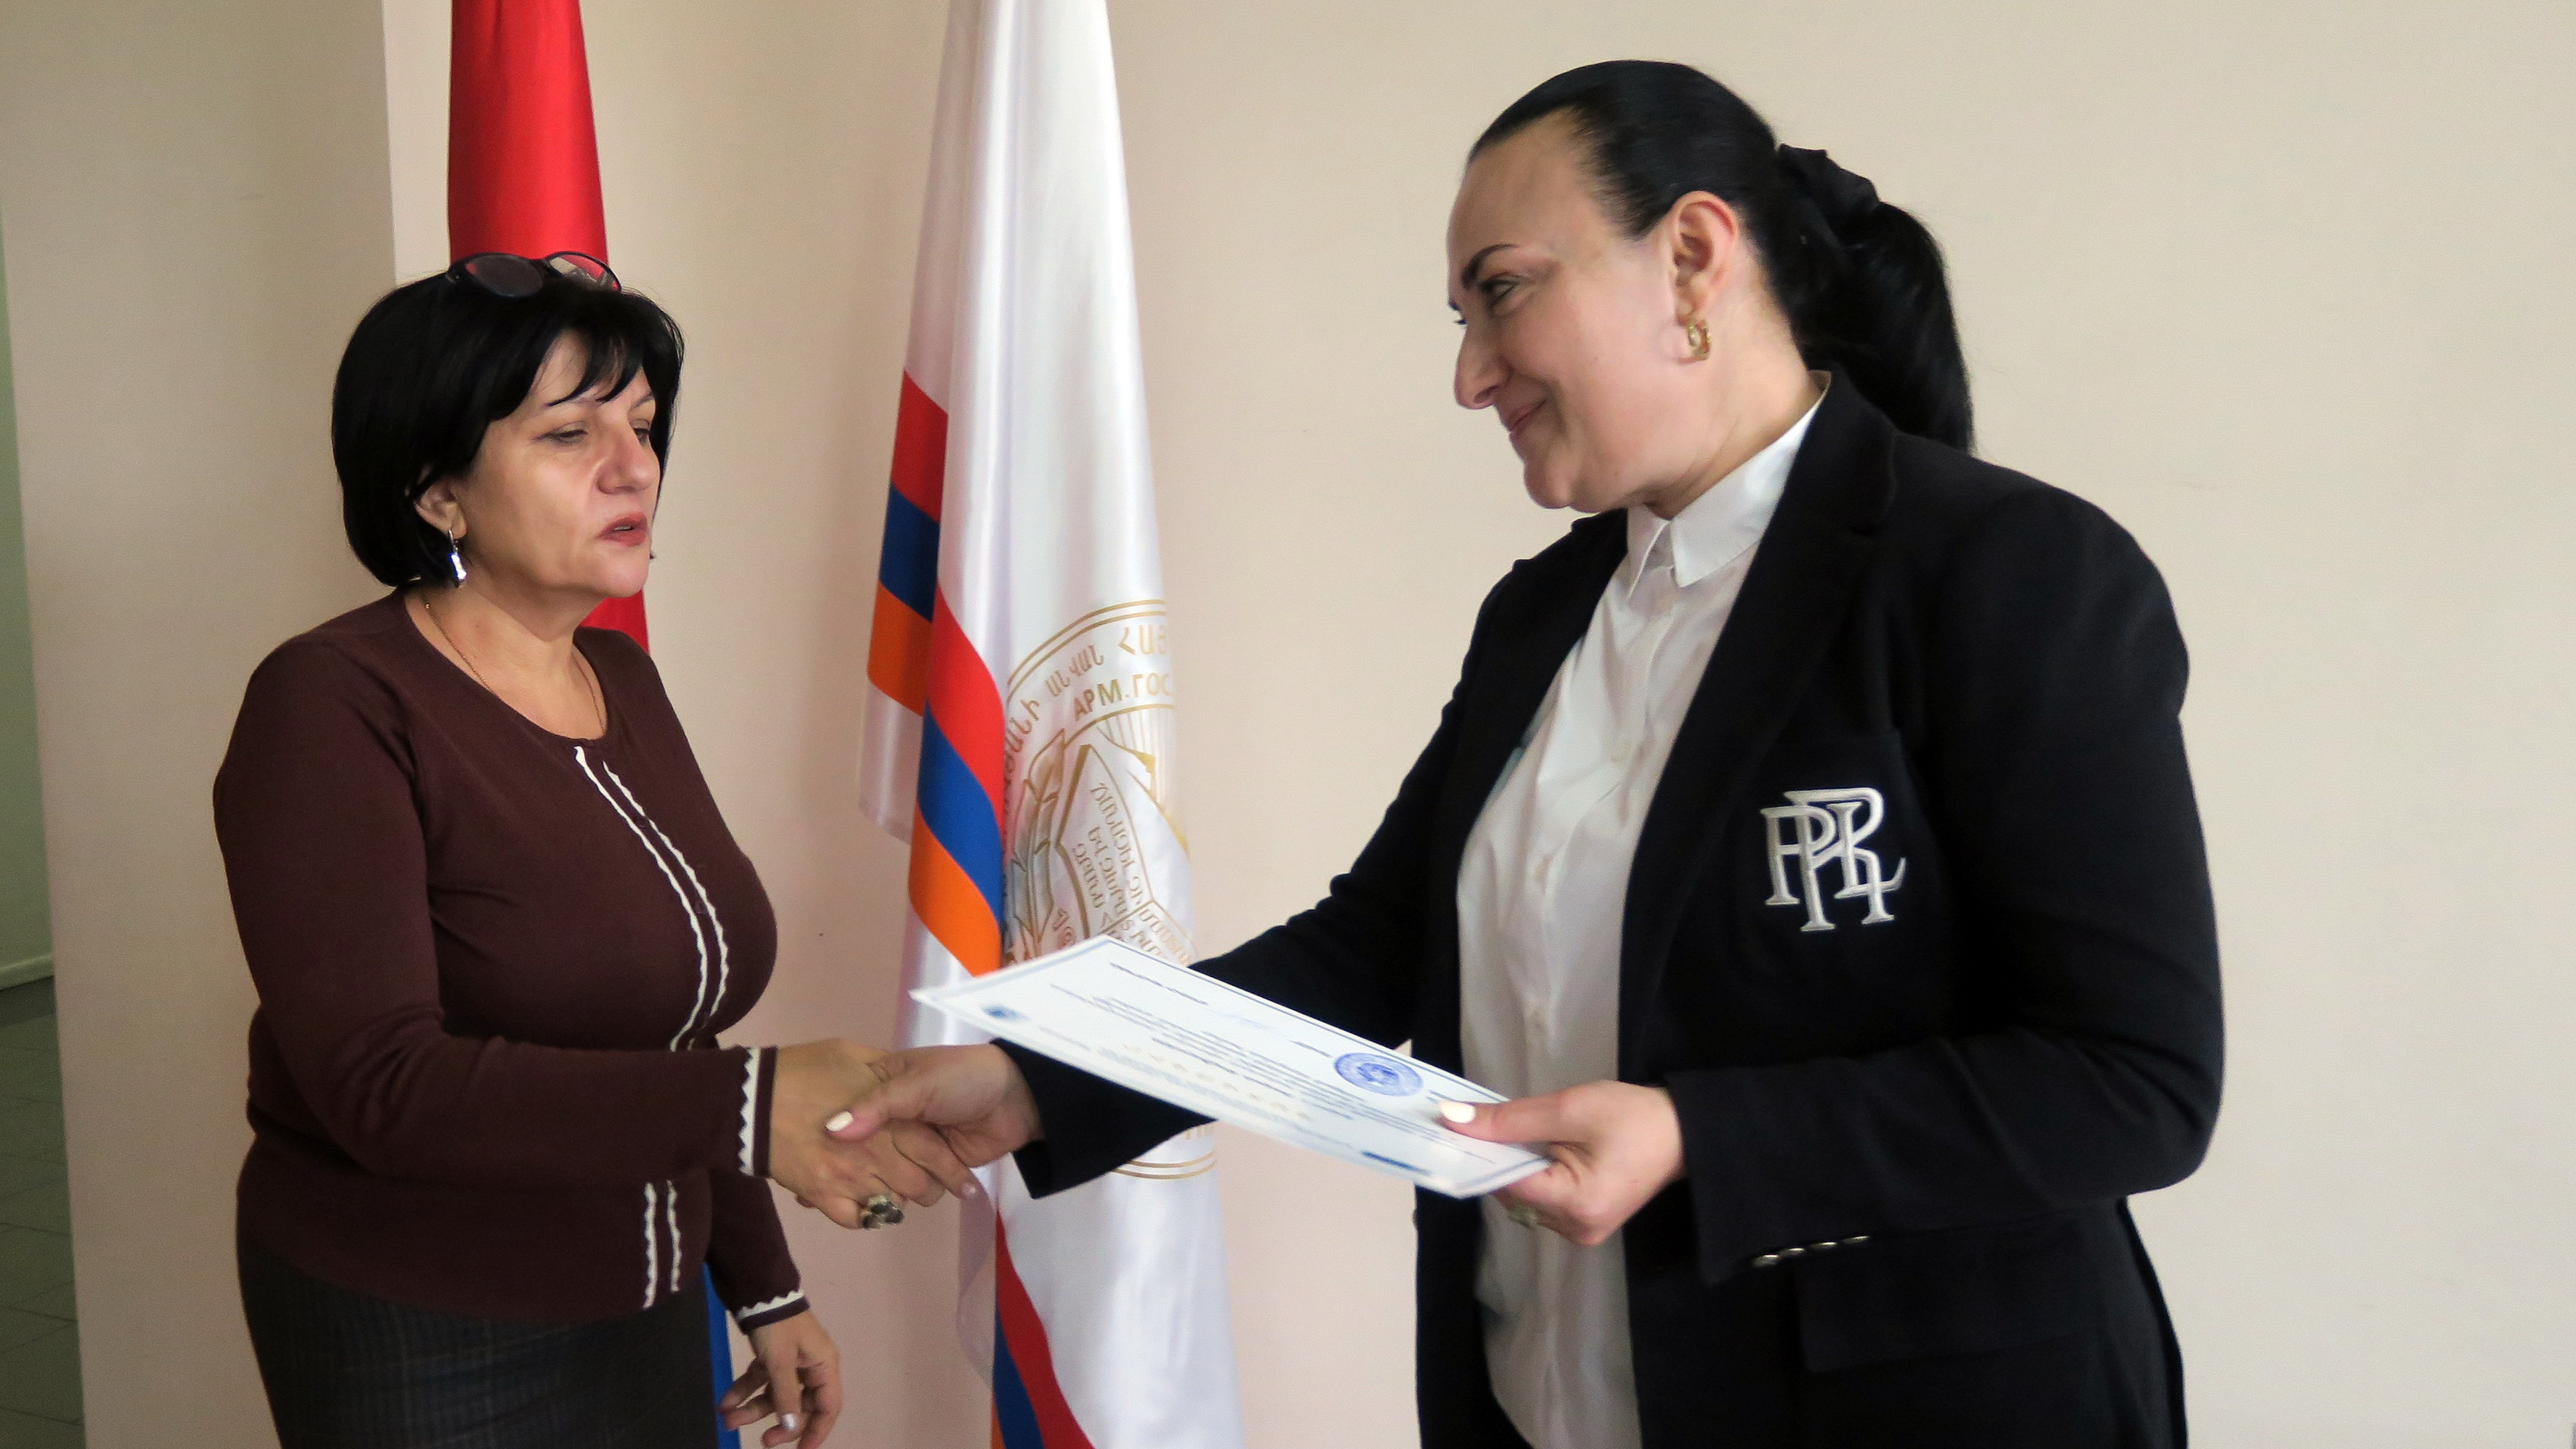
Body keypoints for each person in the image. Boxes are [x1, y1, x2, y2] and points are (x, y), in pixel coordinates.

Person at [822, 60, 2224, 1449]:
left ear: (1692, 258)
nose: (1469, 374)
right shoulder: (1547, 611)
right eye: (1462, 315)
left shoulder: (2011, 572)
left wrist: (1694, 1136)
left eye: (1503, 291)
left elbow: (2131, 1081)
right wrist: (1044, 1082)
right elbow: (1373, 946)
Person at [213, 254, 974, 1449]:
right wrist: (752, 1105)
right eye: (570, 434)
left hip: (650, 1308)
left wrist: (763, 1286)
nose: (635, 468)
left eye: (644, 426)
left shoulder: (619, 674)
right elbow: (381, 1084)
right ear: (437, 490)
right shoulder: (332, 702)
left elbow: (671, 1027)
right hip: (429, 1327)